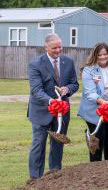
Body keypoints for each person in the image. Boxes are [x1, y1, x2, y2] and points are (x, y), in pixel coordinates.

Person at [27, 33, 79, 179]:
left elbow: (75, 84)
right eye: (54, 48)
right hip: (41, 111)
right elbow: (36, 90)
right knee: (39, 144)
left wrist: (67, 89)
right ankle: (35, 178)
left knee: (57, 143)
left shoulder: (68, 62)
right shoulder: (35, 65)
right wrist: (51, 101)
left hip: (62, 112)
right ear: (46, 47)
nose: (58, 50)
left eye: (60, 47)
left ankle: (55, 176)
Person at [78, 42, 108, 161]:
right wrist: (101, 101)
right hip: (95, 108)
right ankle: (95, 168)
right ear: (95, 55)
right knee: (98, 139)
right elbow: (90, 93)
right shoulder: (89, 70)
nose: (103, 57)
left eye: (105, 54)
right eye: (100, 55)